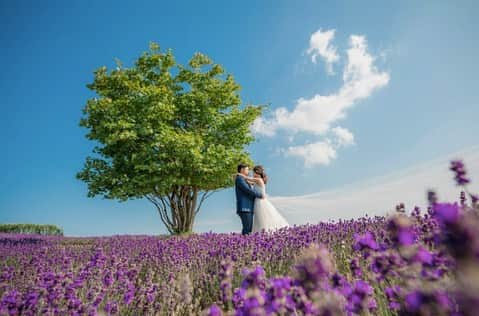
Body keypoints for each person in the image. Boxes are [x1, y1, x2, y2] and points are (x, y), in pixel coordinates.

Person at [236, 165, 289, 233]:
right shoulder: (256, 181)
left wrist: (239, 174)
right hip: (258, 201)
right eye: (248, 170)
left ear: (257, 172)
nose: (251, 173)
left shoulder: (258, 179)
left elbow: (247, 179)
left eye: (253, 172)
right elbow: (248, 182)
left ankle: (265, 232)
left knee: (262, 219)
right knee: (259, 220)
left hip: (260, 200)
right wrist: (241, 177)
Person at [235, 163, 264, 235]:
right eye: (247, 169)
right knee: (247, 228)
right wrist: (260, 195)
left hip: (249, 207)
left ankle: (244, 244)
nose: (249, 171)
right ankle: (244, 244)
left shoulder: (243, 179)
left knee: (249, 228)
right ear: (242, 169)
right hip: (245, 207)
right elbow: (248, 190)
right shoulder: (239, 178)